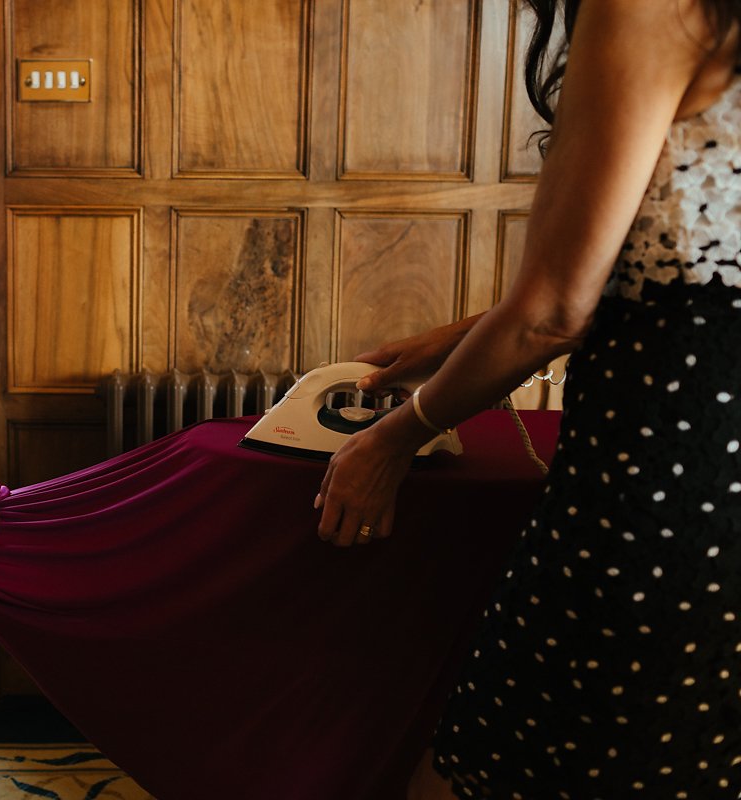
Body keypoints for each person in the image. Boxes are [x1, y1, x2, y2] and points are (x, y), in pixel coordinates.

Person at [315, 0, 741, 797]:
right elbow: (688, 279)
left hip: (666, 485)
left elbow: (552, 311)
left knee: (481, 773)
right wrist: (457, 340)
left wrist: (393, 439)